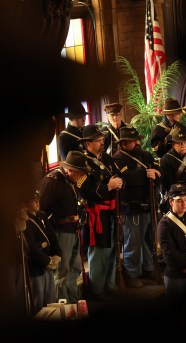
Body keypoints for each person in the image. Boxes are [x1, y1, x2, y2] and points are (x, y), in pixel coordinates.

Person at [79, 124, 124, 301]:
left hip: (113, 210)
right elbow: (85, 191)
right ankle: (97, 290)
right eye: (98, 140)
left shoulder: (107, 158)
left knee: (113, 248)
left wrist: (119, 183)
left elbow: (120, 176)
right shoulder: (82, 163)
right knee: (99, 252)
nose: (102, 142)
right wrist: (108, 187)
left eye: (102, 139)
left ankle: (110, 285)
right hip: (96, 214)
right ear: (88, 143)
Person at [37, 150, 89, 304]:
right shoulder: (52, 181)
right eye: (80, 173)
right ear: (70, 170)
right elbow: (41, 211)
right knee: (62, 272)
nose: (81, 177)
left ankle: (73, 304)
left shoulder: (69, 180)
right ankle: (63, 306)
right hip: (59, 232)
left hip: (72, 230)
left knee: (75, 269)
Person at [113, 126, 161, 288]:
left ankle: (148, 268)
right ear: (124, 143)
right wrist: (145, 174)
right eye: (133, 141)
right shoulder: (118, 159)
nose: (138, 142)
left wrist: (154, 172)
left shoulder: (146, 155)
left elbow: (158, 171)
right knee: (132, 242)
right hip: (131, 207)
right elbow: (128, 178)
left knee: (149, 240)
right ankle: (131, 273)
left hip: (148, 204)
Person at [21, 190, 62, 313]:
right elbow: (31, 248)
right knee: (38, 301)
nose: (37, 202)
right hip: (36, 266)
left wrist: (57, 254)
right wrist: (48, 261)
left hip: (48, 263)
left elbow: (52, 237)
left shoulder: (42, 215)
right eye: (33, 200)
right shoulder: (25, 220)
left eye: (38, 199)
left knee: (50, 299)